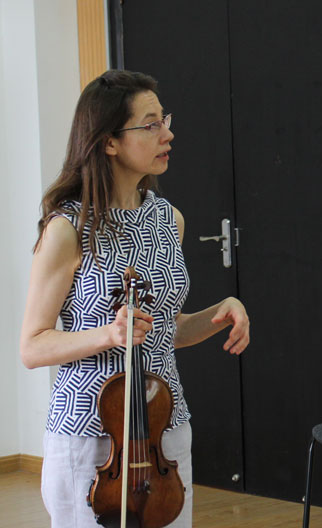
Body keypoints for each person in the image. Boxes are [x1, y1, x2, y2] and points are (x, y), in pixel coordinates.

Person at [19, 70, 250, 528]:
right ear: (108, 142)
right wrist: (108, 334)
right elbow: (33, 346)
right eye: (150, 125)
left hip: (165, 428)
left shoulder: (169, 219)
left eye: (163, 119)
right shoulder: (66, 229)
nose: (168, 133)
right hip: (91, 436)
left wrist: (219, 314)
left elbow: (166, 331)